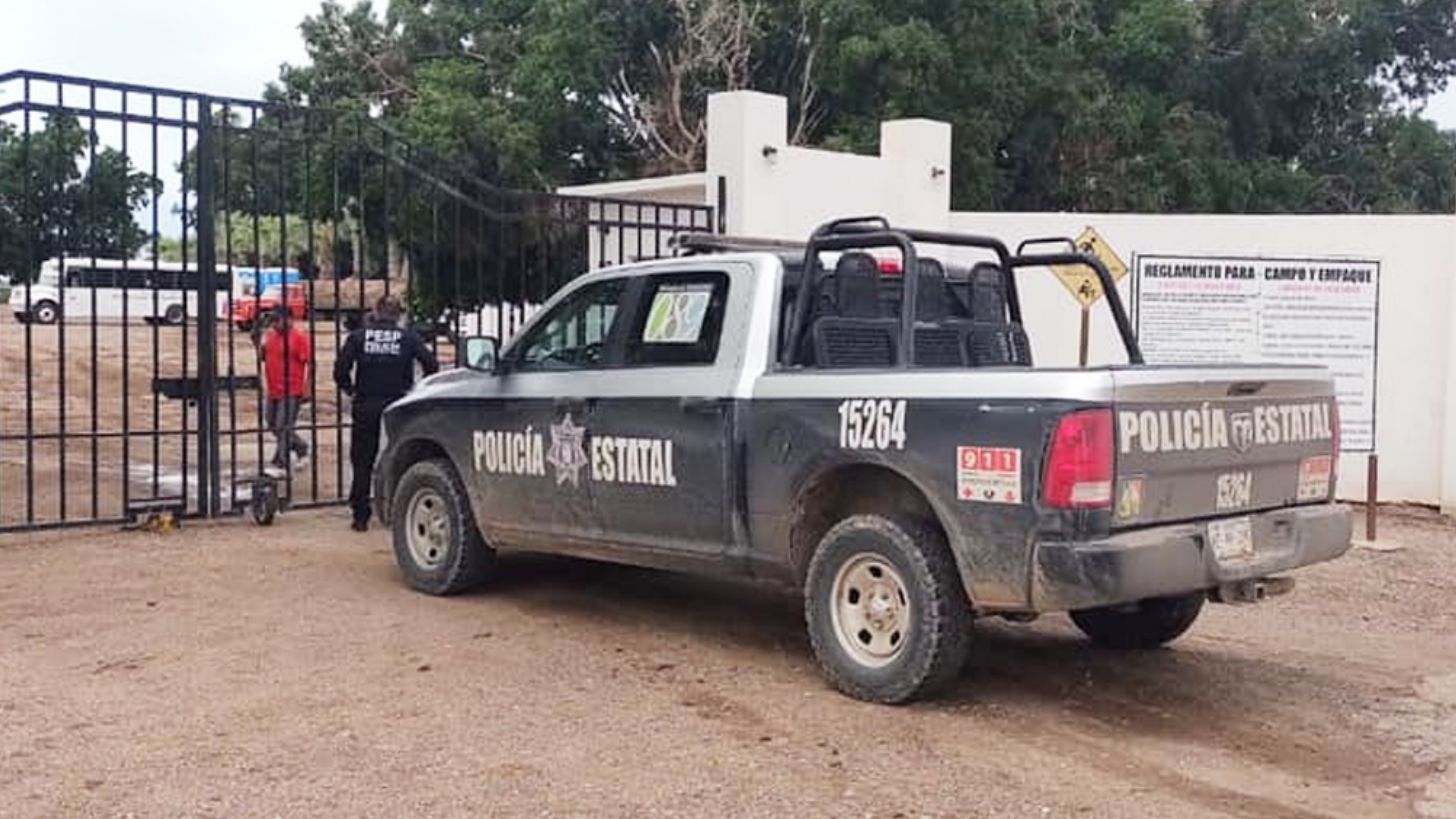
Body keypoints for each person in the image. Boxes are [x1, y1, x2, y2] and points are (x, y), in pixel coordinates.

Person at [335, 294, 439, 531]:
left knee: (362, 459)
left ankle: (360, 515)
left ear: (375, 311)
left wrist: (350, 390)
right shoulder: (408, 338)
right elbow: (431, 364)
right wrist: (417, 390)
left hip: (366, 403)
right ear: (399, 315)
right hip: (398, 405)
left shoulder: (359, 336)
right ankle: (400, 508)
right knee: (400, 454)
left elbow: (340, 369)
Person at [259, 306, 313, 475]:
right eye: (273, 321)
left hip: (292, 389)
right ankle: (301, 447)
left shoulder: (299, 337)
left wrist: (307, 388)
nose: (275, 324)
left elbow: (311, 363)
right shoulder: (271, 336)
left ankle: (280, 461)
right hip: (274, 388)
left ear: (289, 319)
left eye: (278, 320)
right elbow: (263, 356)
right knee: (272, 424)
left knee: (283, 426)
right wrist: (256, 340)